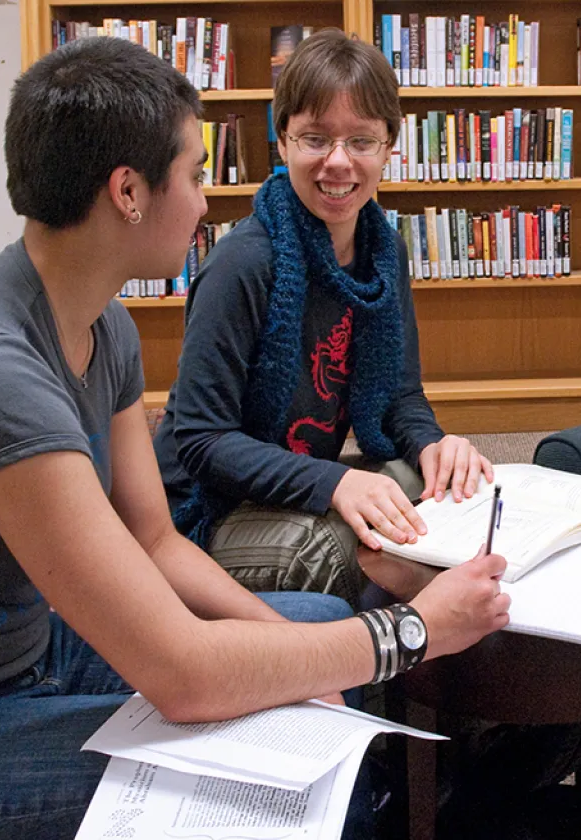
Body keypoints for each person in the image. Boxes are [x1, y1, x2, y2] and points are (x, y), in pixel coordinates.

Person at [0, 36, 508, 840]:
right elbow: (182, 675)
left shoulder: (103, 322)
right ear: (129, 191)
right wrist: (409, 632)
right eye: (197, 175)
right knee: (285, 782)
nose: (208, 202)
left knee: (309, 625)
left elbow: (154, 540)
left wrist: (294, 652)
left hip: (32, 649)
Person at [153, 28, 492, 605]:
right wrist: (335, 481)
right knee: (355, 546)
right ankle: (383, 663)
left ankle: (412, 667)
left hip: (294, 483)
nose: (339, 162)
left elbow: (401, 399)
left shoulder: (383, 251)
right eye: (315, 139)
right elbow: (202, 442)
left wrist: (434, 446)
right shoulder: (243, 262)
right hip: (205, 513)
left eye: (361, 140)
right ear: (281, 144)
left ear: (389, 146)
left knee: (435, 495)